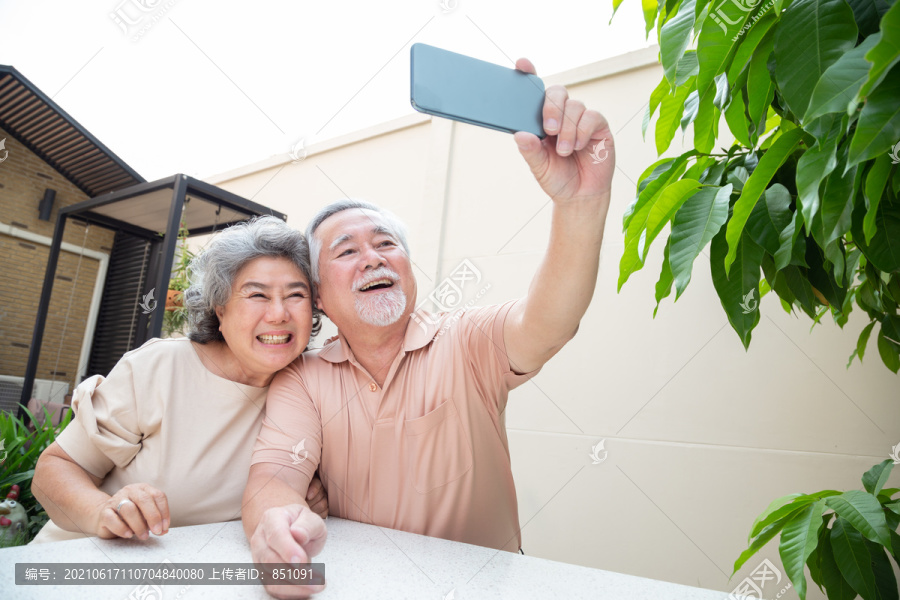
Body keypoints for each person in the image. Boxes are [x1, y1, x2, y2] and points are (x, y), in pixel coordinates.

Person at [243, 57, 613, 597]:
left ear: (409, 269)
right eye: (348, 251)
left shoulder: (466, 340)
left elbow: (549, 321)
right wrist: (275, 525)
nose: (374, 258)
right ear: (320, 295)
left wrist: (582, 204)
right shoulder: (304, 379)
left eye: (386, 244)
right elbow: (275, 478)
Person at [31, 216, 328, 543]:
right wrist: (104, 510)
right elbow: (53, 471)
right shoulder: (159, 367)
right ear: (220, 308)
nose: (278, 314)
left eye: (296, 295)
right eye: (257, 295)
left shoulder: (311, 385)